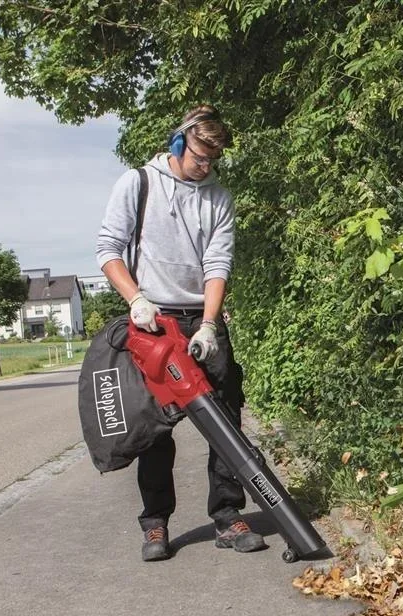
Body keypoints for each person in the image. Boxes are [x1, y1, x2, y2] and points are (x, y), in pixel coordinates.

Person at [95, 104, 265, 561]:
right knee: (155, 428)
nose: (205, 166)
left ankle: (228, 517)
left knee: (226, 419)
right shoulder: (139, 183)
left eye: (213, 160)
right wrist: (136, 298)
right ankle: (156, 525)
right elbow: (108, 249)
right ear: (177, 143)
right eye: (199, 156)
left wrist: (210, 323)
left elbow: (217, 264)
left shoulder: (219, 199)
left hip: (199, 315)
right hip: (152, 319)